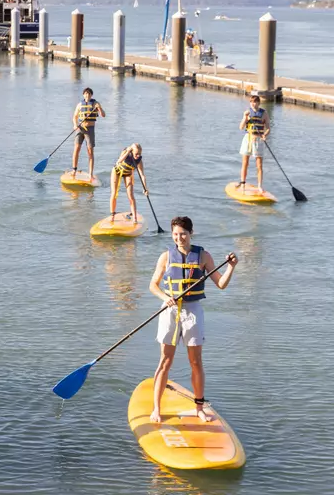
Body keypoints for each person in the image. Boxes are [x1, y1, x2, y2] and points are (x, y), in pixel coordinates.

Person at [147, 216, 238, 424]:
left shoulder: (203, 256)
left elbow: (221, 284)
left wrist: (232, 267)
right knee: (165, 360)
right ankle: (156, 408)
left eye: (183, 234)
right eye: (176, 234)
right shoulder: (165, 257)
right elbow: (153, 285)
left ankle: (199, 407)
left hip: (192, 311)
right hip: (169, 311)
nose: (179, 238)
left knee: (195, 361)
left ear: (191, 233)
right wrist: (165, 298)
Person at [70, 88, 106, 179]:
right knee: (76, 149)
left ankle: (90, 174)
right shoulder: (79, 105)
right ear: (83, 95)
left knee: (90, 152)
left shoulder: (95, 104)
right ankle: (74, 170)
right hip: (80, 128)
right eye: (86, 93)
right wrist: (75, 125)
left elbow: (103, 115)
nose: (87, 95)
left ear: (91, 95)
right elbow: (75, 116)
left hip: (90, 129)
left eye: (89, 94)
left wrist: (99, 108)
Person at [238, 94, 271, 192]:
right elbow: (241, 127)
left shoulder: (264, 113)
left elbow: (268, 128)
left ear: (259, 103)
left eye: (255, 102)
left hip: (258, 140)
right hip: (248, 139)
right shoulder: (247, 113)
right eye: (251, 102)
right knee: (245, 163)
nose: (253, 104)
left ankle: (260, 186)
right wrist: (245, 117)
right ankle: (243, 183)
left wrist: (265, 135)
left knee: (259, 165)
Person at [108, 143, 147, 222]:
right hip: (117, 171)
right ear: (132, 151)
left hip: (128, 174)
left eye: (139, 154)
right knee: (114, 193)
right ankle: (112, 215)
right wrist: (128, 152)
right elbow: (119, 161)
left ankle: (135, 218)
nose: (138, 156)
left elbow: (142, 175)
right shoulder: (126, 152)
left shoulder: (139, 160)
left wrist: (145, 188)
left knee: (131, 196)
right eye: (136, 154)